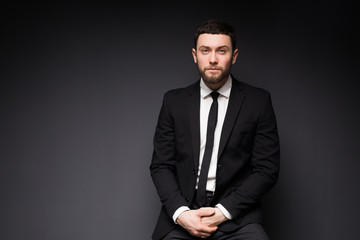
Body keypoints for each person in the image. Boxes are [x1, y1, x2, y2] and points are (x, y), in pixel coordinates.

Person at [150, 19, 280, 240]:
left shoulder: (258, 102)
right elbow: (161, 166)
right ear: (194, 55)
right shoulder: (173, 101)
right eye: (205, 50)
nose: (212, 59)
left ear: (234, 56)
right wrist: (182, 214)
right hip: (184, 215)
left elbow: (266, 169)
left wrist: (223, 212)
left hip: (236, 219)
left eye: (222, 51)